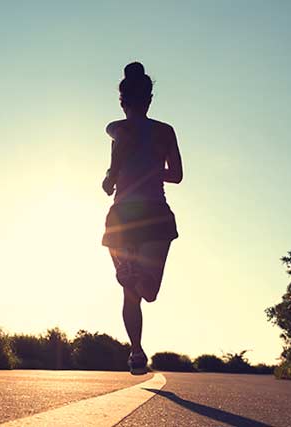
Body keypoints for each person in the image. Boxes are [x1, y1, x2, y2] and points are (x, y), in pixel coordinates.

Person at [100, 62, 183, 375]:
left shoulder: (117, 128)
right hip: (154, 214)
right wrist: (153, 170)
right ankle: (132, 275)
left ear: (122, 102)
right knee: (148, 292)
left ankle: (136, 352)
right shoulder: (165, 131)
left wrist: (111, 177)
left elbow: (120, 144)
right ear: (150, 99)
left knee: (131, 294)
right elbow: (176, 175)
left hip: (122, 215)